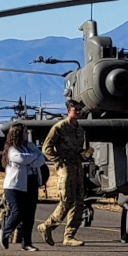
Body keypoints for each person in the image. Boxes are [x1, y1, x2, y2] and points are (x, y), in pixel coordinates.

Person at [38, 99, 87, 247]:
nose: (78, 112)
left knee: (79, 202)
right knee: (66, 201)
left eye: (79, 109)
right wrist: (59, 160)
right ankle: (47, 226)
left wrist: (84, 154)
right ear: (68, 110)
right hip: (65, 169)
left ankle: (70, 236)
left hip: (77, 167)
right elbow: (46, 148)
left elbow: (78, 148)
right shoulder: (59, 127)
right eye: (75, 109)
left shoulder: (80, 130)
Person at [0, 123, 45, 251]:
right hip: (14, 185)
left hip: (31, 183)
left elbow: (41, 158)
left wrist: (31, 160)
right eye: (25, 132)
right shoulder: (12, 149)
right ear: (18, 133)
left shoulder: (30, 146)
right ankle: (6, 232)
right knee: (17, 212)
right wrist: (33, 159)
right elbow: (20, 158)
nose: (27, 134)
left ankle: (27, 243)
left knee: (29, 215)